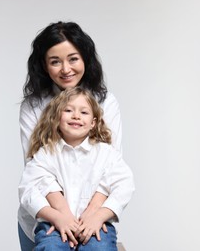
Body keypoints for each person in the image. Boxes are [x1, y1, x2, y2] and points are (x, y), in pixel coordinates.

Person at [18, 21, 124, 250]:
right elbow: (36, 172)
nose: (66, 69)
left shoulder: (106, 102)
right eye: (55, 61)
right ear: (44, 66)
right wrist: (63, 217)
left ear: (85, 58)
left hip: (93, 220)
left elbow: (111, 170)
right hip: (46, 218)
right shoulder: (34, 106)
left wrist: (90, 218)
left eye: (73, 59)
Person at [19, 87, 135, 250]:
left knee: (99, 249)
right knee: (51, 248)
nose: (76, 116)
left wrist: (101, 215)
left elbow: (125, 185)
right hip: (53, 225)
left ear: (93, 123)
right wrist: (56, 216)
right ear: (56, 118)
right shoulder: (45, 153)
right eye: (68, 110)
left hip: (96, 224)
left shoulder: (106, 153)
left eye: (84, 112)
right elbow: (27, 189)